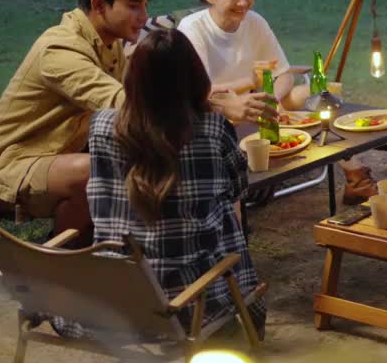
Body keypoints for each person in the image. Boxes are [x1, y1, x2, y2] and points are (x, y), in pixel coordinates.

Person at [0, 0, 273, 236]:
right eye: (134, 5)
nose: (144, 15)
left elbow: (153, 90)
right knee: (107, 166)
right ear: (99, 4)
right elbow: (125, 103)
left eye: (145, 4)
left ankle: (110, 245)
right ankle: (71, 266)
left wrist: (204, 93)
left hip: (65, 153)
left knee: (141, 153)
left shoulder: (110, 41)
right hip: (12, 166)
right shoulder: (59, 50)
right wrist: (216, 106)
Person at [53, 28, 265, 338]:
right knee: (226, 214)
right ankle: (248, 319)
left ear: (133, 79)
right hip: (197, 302)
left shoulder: (100, 126)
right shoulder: (213, 129)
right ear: (195, 77)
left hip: (122, 303)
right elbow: (238, 189)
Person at [177, 0, 376, 201]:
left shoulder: (254, 22)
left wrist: (275, 99)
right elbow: (201, 91)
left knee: (318, 95)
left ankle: (354, 175)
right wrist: (250, 82)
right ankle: (249, 184)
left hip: (258, 103)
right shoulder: (193, 29)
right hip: (217, 109)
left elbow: (283, 73)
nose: (243, 2)